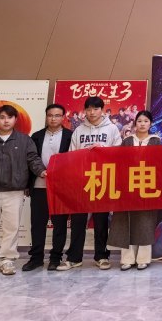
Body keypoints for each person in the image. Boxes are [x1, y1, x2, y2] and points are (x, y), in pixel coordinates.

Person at [0, 105, 47, 277]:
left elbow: (33, 159)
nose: (6, 121)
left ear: (15, 120)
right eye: (2, 117)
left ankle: (7, 259)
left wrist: (42, 171)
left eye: (9, 117)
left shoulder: (24, 141)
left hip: (15, 191)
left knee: (11, 227)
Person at [58, 96, 122, 271]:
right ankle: (74, 257)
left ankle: (102, 256)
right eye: (89, 109)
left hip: (103, 179)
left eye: (95, 109)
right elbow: (71, 154)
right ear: (85, 111)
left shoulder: (112, 129)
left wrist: (103, 150)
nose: (92, 112)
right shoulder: (79, 130)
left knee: (101, 221)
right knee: (78, 220)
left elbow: (119, 153)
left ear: (102, 110)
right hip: (82, 180)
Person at [107, 110, 161, 271]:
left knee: (145, 221)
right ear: (135, 123)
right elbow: (120, 162)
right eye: (139, 121)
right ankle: (127, 259)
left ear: (150, 124)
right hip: (128, 185)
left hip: (148, 185)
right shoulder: (128, 140)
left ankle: (143, 258)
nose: (142, 124)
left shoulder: (156, 140)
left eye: (146, 121)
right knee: (127, 221)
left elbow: (159, 164)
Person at [23, 104, 73, 272]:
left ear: (63, 117)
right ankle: (36, 258)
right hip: (39, 186)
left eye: (57, 115)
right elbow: (30, 160)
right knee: (38, 224)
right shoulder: (36, 136)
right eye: (50, 115)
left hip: (61, 188)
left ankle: (55, 258)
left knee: (59, 224)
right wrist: (29, 183)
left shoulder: (70, 136)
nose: (53, 118)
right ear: (46, 117)